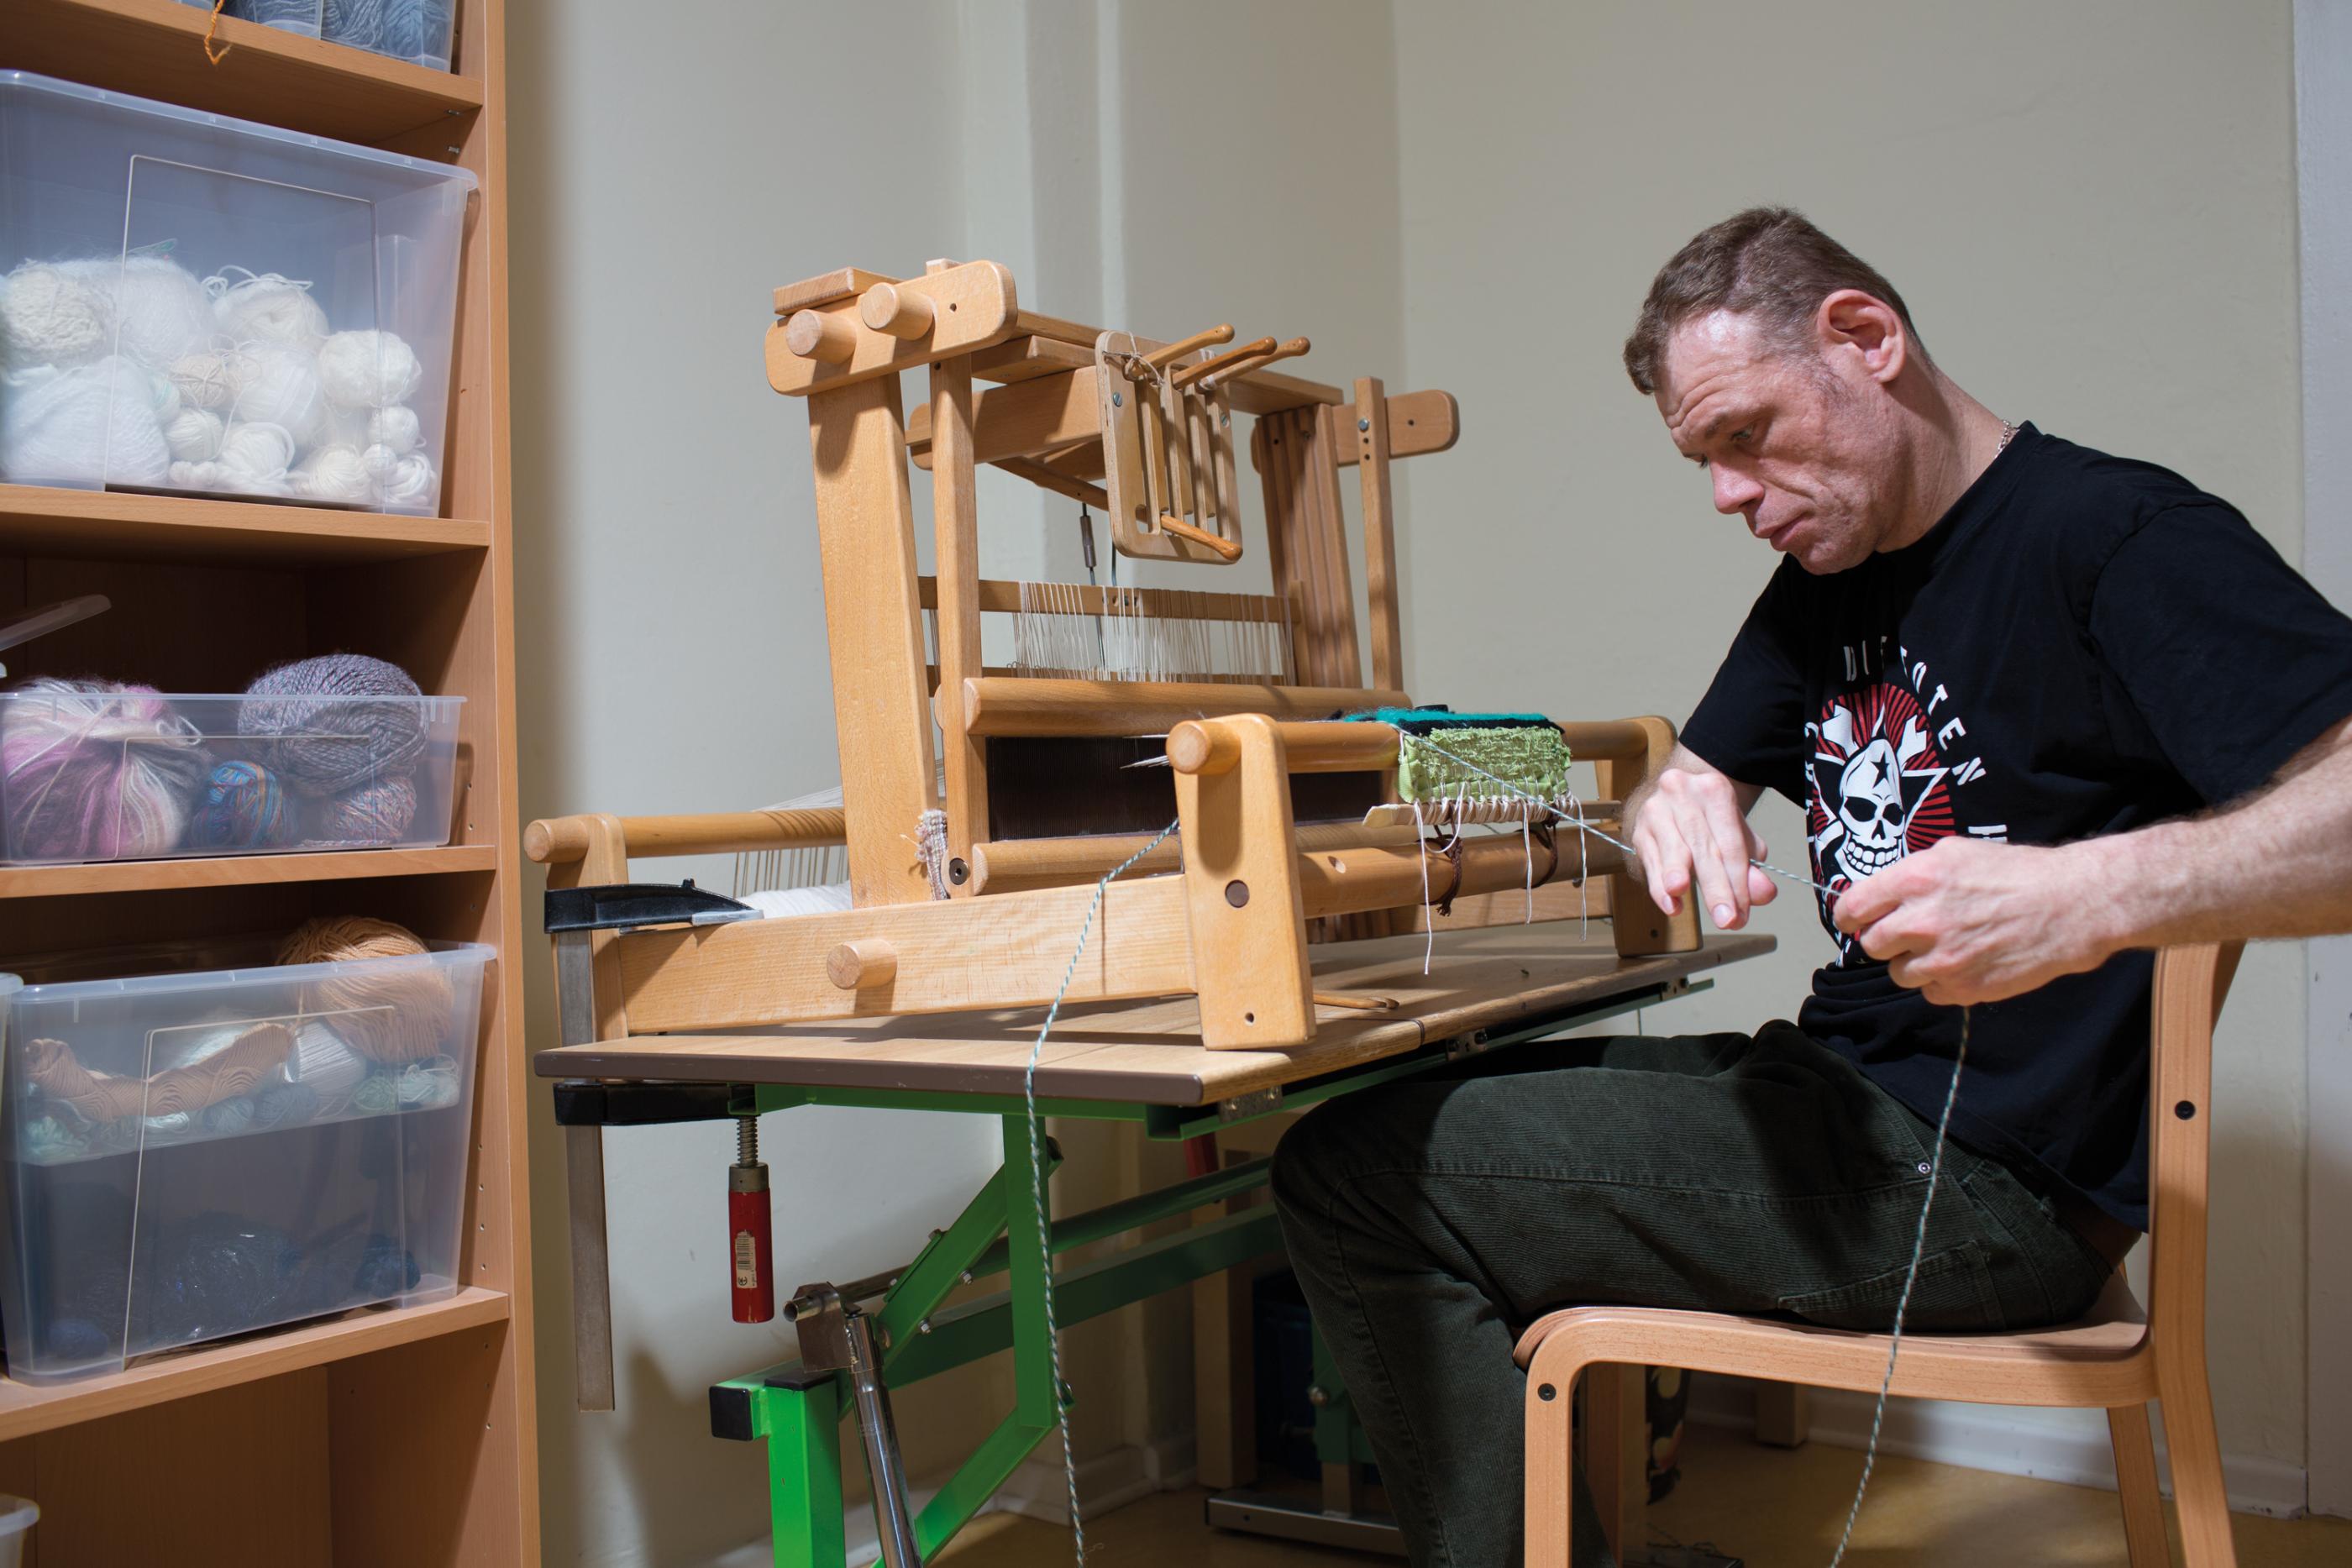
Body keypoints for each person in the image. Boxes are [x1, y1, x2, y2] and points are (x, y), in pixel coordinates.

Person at [1271, 207, 2352, 1568]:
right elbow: (1694, 770)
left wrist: (2087, 894)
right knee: (1385, 1123)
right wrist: (1686, 802)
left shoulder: (2118, 538)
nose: (1728, 491)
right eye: (1702, 458)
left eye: (1743, 435)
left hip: (1979, 1192)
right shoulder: (1829, 569)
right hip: (1833, 1103)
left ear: (1865, 338)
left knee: (1359, 1176)